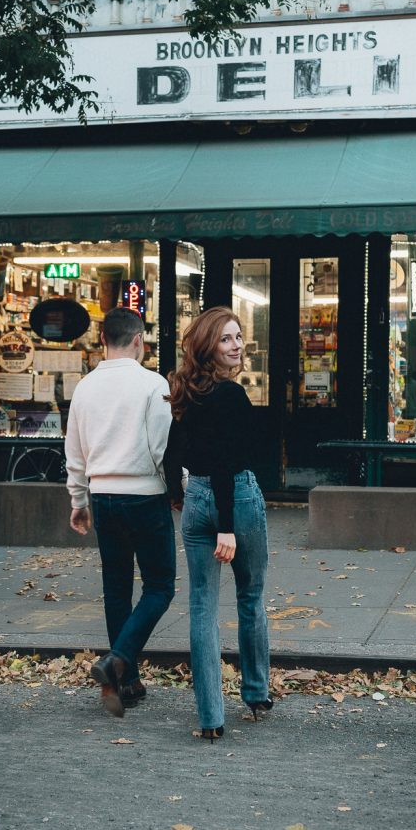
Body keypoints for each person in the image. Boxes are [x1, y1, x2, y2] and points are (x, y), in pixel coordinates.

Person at [164, 307, 272, 743]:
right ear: (209, 346)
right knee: (251, 594)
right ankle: (256, 692)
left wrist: (178, 492)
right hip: (236, 500)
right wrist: (226, 526)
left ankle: (211, 716)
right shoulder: (231, 396)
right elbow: (229, 463)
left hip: (196, 502)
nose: (237, 344)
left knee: (203, 609)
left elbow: (173, 450)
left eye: (239, 336)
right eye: (227, 338)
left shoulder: (185, 393)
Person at [65, 307, 176, 718]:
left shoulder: (85, 388)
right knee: (160, 585)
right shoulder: (152, 384)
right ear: (138, 340)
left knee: (116, 586)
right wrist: (176, 487)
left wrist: (78, 501)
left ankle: (126, 681)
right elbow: (161, 447)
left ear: (102, 341)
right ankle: (118, 662)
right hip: (145, 495)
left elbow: (74, 453)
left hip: (102, 495)